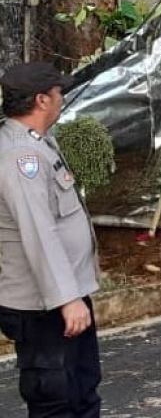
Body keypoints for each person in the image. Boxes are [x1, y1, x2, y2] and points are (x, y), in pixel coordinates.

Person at [0, 62, 101, 417]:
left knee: (82, 390)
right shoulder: (20, 157)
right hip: (45, 306)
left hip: (63, 298)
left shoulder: (37, 143)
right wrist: (67, 299)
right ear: (42, 100)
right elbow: (38, 231)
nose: (62, 98)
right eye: (58, 93)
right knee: (56, 401)